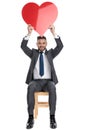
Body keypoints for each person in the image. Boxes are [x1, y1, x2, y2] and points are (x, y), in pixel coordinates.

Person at [21, 24, 63, 129]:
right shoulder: (33, 53)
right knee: (30, 87)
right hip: (36, 82)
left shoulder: (50, 53)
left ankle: (52, 117)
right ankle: (30, 117)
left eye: (43, 43)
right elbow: (23, 46)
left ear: (46, 43)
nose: (41, 45)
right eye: (39, 43)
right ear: (37, 44)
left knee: (53, 87)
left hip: (49, 81)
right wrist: (29, 33)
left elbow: (60, 46)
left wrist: (53, 32)